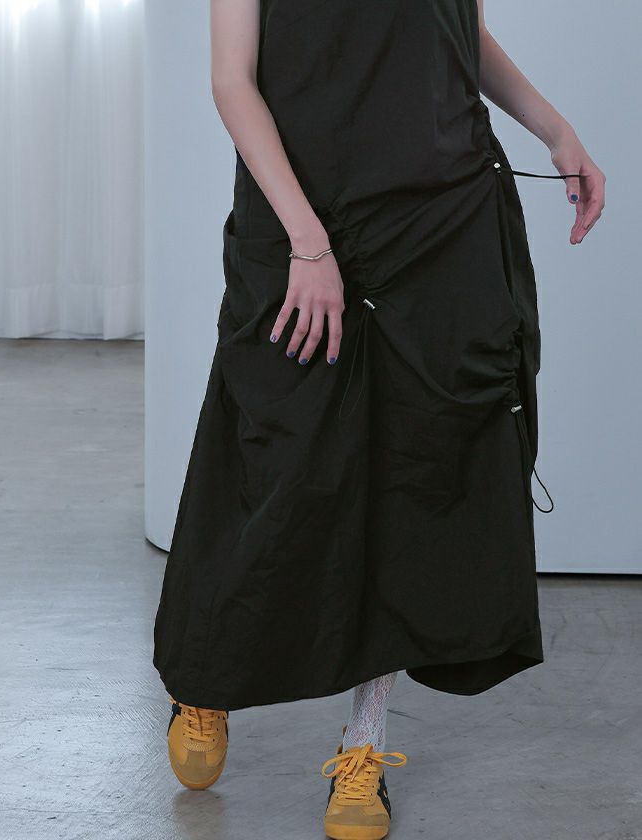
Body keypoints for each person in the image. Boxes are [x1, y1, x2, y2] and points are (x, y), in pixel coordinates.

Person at [153, 1, 606, 837]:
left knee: (417, 471)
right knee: (275, 466)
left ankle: (364, 743)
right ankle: (205, 677)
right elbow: (231, 80)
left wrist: (554, 128)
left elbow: (459, 30)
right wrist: (307, 242)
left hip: (440, 215)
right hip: (303, 216)